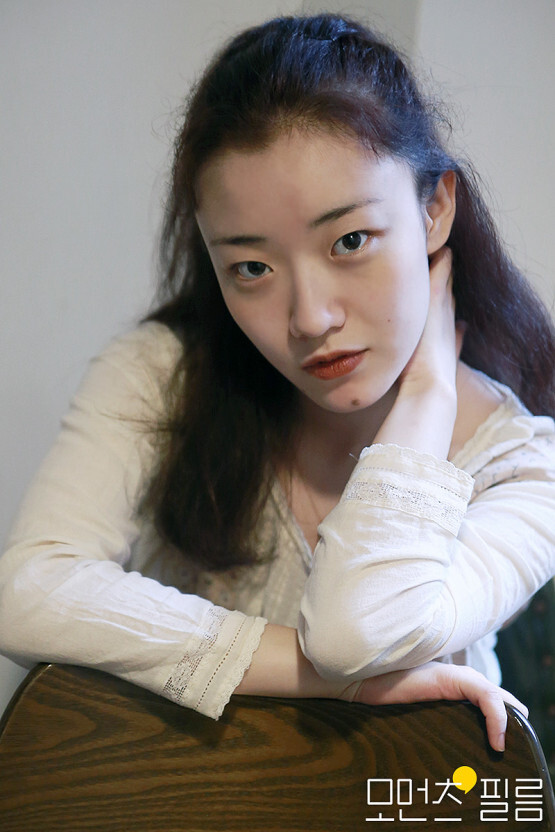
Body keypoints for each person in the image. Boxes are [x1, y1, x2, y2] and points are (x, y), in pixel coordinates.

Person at [0, 13, 553, 754]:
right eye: (252, 267)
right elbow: (28, 591)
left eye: (350, 240)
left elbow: (359, 630)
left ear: (434, 209)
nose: (309, 318)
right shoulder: (161, 374)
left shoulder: (524, 467)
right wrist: (322, 677)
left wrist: (428, 394)